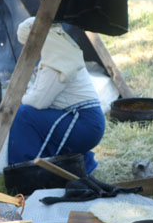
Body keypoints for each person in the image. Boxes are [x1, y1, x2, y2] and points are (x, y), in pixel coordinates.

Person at [7, 17, 105, 173]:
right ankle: (68, 168)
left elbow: (39, 102)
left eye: (25, 43)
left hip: (84, 123)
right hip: (86, 121)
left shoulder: (56, 62)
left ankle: (22, 171)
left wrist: (18, 99)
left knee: (23, 114)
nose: (24, 47)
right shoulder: (59, 55)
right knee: (31, 114)